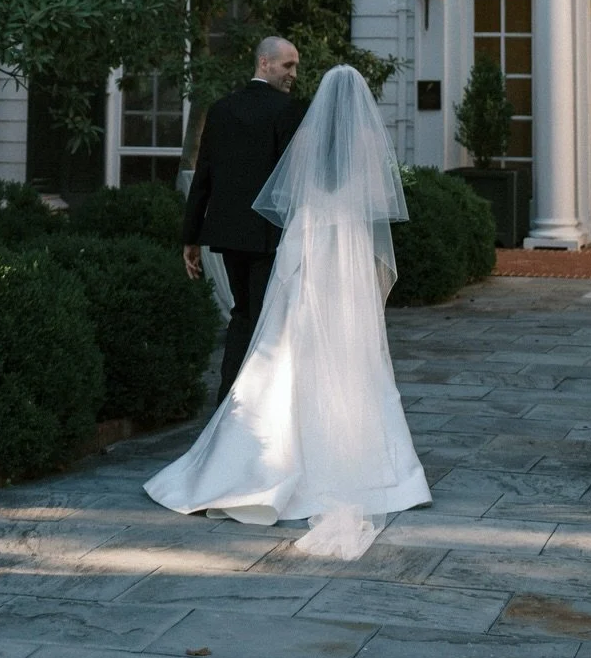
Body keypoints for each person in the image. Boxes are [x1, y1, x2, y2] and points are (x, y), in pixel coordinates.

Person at [146, 64, 430, 560]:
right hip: (346, 252)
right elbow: (372, 208)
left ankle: (250, 449)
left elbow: (288, 200)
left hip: (307, 245)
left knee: (278, 345)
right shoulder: (363, 142)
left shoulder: (305, 135)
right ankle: (371, 463)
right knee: (351, 352)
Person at [181, 36, 307, 402]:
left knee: (243, 315)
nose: (294, 74)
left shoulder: (221, 109)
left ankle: (229, 402)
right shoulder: (289, 110)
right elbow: (294, 180)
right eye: (288, 65)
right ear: (264, 63)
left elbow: (203, 175)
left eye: (295, 66)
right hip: (270, 237)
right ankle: (258, 405)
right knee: (268, 320)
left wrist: (191, 236)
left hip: (229, 236)